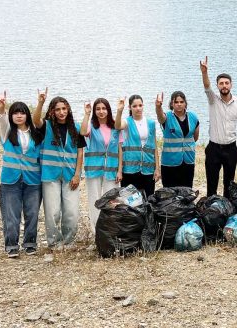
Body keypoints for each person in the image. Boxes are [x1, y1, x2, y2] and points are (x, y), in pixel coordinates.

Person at [33, 88, 85, 249]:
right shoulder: (46, 126)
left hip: (70, 176)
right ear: (52, 112)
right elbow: (35, 120)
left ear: (68, 109)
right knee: (53, 211)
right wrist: (41, 102)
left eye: (64, 109)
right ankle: (54, 242)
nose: (61, 112)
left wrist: (77, 175)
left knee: (71, 212)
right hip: (50, 175)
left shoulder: (76, 128)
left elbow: (80, 152)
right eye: (57, 109)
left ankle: (68, 241)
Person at [0, 92, 44, 258]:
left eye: (22, 112)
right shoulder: (7, 132)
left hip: (33, 180)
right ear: (11, 116)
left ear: (27, 115)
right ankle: (11, 245)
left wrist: (40, 103)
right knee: (11, 215)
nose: (18, 115)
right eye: (15, 113)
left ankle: (30, 243)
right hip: (11, 180)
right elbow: (2, 119)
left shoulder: (36, 134)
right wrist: (2, 107)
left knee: (32, 214)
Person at [200, 57, 237, 198]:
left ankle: (227, 210)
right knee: (211, 185)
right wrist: (204, 72)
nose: (224, 86)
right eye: (221, 84)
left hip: (231, 149)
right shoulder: (213, 100)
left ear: (231, 85)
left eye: (226, 83)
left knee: (229, 184)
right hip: (213, 148)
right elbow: (207, 87)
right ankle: (210, 212)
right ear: (218, 86)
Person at [80, 98, 121, 234]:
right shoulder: (91, 125)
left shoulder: (115, 126)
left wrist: (120, 170)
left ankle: (110, 230)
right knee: (95, 200)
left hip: (112, 170)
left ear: (108, 110)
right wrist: (86, 113)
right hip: (94, 169)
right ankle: (96, 232)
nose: (101, 111)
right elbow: (82, 132)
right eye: (98, 109)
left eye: (104, 108)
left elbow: (120, 149)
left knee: (111, 200)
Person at [115, 95, 160, 198]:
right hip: (130, 170)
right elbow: (117, 126)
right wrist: (119, 111)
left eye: (140, 105)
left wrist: (157, 169)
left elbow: (154, 146)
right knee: (129, 201)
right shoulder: (127, 122)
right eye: (134, 106)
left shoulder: (151, 123)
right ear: (130, 107)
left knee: (147, 200)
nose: (138, 108)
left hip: (148, 170)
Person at [155, 91, 199, 188]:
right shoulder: (167, 117)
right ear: (172, 104)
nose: (179, 104)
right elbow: (160, 117)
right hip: (169, 163)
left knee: (186, 191)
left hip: (188, 161)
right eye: (176, 102)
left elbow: (195, 137)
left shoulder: (193, 117)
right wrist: (158, 106)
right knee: (170, 192)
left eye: (181, 102)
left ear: (185, 103)